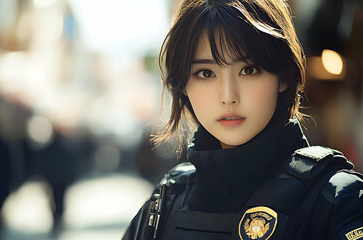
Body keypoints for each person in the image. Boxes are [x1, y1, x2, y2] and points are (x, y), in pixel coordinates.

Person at [122, 0, 363, 239]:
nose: (228, 96)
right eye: (206, 73)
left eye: (248, 70)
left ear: (283, 76)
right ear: (183, 85)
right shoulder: (166, 202)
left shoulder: (338, 200)